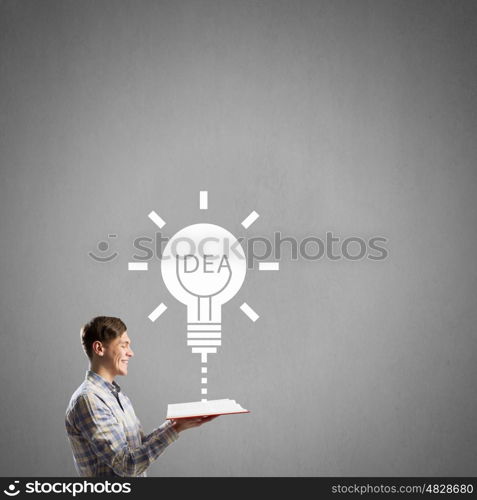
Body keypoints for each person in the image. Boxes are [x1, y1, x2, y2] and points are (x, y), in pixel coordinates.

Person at [65, 316, 217, 477]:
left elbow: (137, 448)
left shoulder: (117, 395)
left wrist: (176, 424)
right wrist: (175, 429)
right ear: (99, 349)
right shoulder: (89, 400)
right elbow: (126, 466)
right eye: (124, 345)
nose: (131, 353)